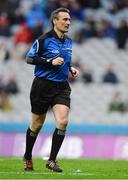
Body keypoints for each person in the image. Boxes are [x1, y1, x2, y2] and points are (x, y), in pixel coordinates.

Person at [23, 8, 79, 173]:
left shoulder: (68, 41)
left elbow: (65, 60)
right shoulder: (44, 39)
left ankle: (52, 160)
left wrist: (70, 68)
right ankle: (27, 156)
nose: (68, 22)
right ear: (55, 21)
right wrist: (49, 61)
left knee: (63, 122)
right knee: (37, 124)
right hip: (42, 86)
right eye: (64, 19)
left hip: (61, 86)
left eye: (69, 20)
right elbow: (29, 58)